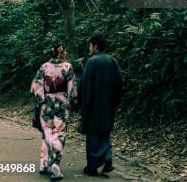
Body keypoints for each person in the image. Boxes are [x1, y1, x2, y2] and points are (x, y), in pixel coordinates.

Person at [79, 34, 123, 177]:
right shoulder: (112, 61)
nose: (89, 49)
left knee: (93, 134)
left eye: (90, 46)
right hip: (108, 105)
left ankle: (92, 166)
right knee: (105, 133)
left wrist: (83, 106)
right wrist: (114, 102)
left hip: (93, 105)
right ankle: (107, 160)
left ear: (95, 46)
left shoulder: (92, 62)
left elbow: (84, 86)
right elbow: (120, 83)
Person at [31, 43, 77, 181]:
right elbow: (72, 88)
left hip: (47, 104)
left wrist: (42, 100)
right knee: (59, 133)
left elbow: (36, 85)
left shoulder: (44, 67)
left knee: (48, 133)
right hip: (62, 103)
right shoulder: (67, 67)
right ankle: (55, 164)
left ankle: (44, 164)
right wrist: (71, 102)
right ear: (62, 53)